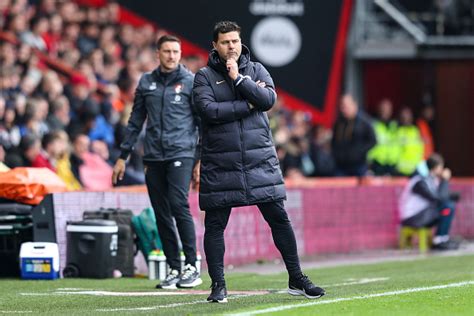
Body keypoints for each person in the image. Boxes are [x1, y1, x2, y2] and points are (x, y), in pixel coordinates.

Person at [193, 21, 325, 303]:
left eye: (235, 41)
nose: (232, 47)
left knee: (279, 217)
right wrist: (247, 104)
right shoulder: (203, 77)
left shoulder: (256, 69)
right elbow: (208, 111)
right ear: (214, 46)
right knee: (215, 224)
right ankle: (218, 285)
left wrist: (240, 80)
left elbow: (268, 100)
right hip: (221, 162)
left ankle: (296, 279)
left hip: (259, 159)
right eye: (226, 42)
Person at [112, 35, 201, 289]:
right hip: (152, 157)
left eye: (176, 51)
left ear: (180, 54)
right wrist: (122, 157)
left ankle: (192, 265)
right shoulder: (146, 82)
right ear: (158, 54)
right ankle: (174, 268)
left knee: (178, 204)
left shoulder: (190, 82)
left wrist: (199, 159)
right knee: (161, 213)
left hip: (181, 153)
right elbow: (135, 120)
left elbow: (202, 123)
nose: (172, 55)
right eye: (167, 51)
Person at [399, 153, 460, 250]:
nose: (442, 170)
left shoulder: (431, 180)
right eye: (441, 167)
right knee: (447, 207)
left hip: (423, 215)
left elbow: (442, 196)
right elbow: (438, 199)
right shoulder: (419, 181)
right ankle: (439, 240)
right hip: (413, 217)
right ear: (436, 167)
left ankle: (443, 238)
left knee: (448, 206)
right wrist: (444, 180)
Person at [331, 94, 376, 176]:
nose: (343, 109)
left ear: (354, 105)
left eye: (346, 106)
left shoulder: (364, 122)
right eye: (342, 106)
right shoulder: (339, 122)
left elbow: (373, 141)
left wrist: (358, 152)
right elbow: (334, 141)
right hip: (341, 166)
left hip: (358, 166)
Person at [368, 99, 399, 175]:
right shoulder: (373, 125)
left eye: (387, 109)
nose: (385, 111)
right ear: (378, 110)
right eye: (383, 109)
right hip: (377, 164)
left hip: (393, 165)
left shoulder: (395, 126)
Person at [395, 107, 424, 176]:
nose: (405, 118)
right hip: (399, 170)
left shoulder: (415, 131)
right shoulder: (396, 131)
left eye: (408, 115)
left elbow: (420, 149)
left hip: (414, 169)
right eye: (403, 116)